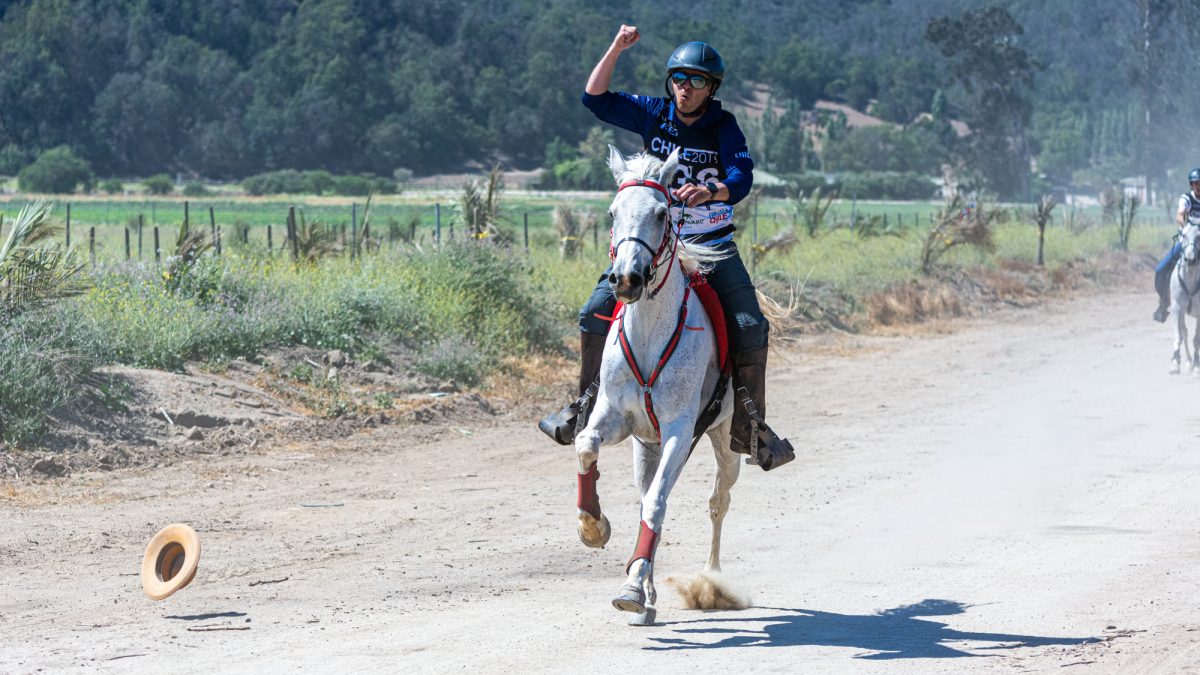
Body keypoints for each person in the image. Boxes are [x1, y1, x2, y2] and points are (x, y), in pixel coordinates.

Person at [538, 25, 772, 458]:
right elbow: (595, 98)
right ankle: (583, 407)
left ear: (711, 87)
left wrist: (714, 190)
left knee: (749, 324)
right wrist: (614, 49)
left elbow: (742, 177)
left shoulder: (724, 126)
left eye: (697, 80)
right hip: (656, 243)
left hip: (710, 244)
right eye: (680, 79)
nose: (686, 88)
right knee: (593, 312)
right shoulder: (652, 113)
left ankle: (750, 425)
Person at [1153, 168, 1200, 322]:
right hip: (1186, 243)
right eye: (1195, 183)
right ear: (1191, 185)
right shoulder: (1187, 198)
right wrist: (1184, 222)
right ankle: (1164, 302)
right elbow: (1180, 214)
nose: (1198, 186)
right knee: (1160, 270)